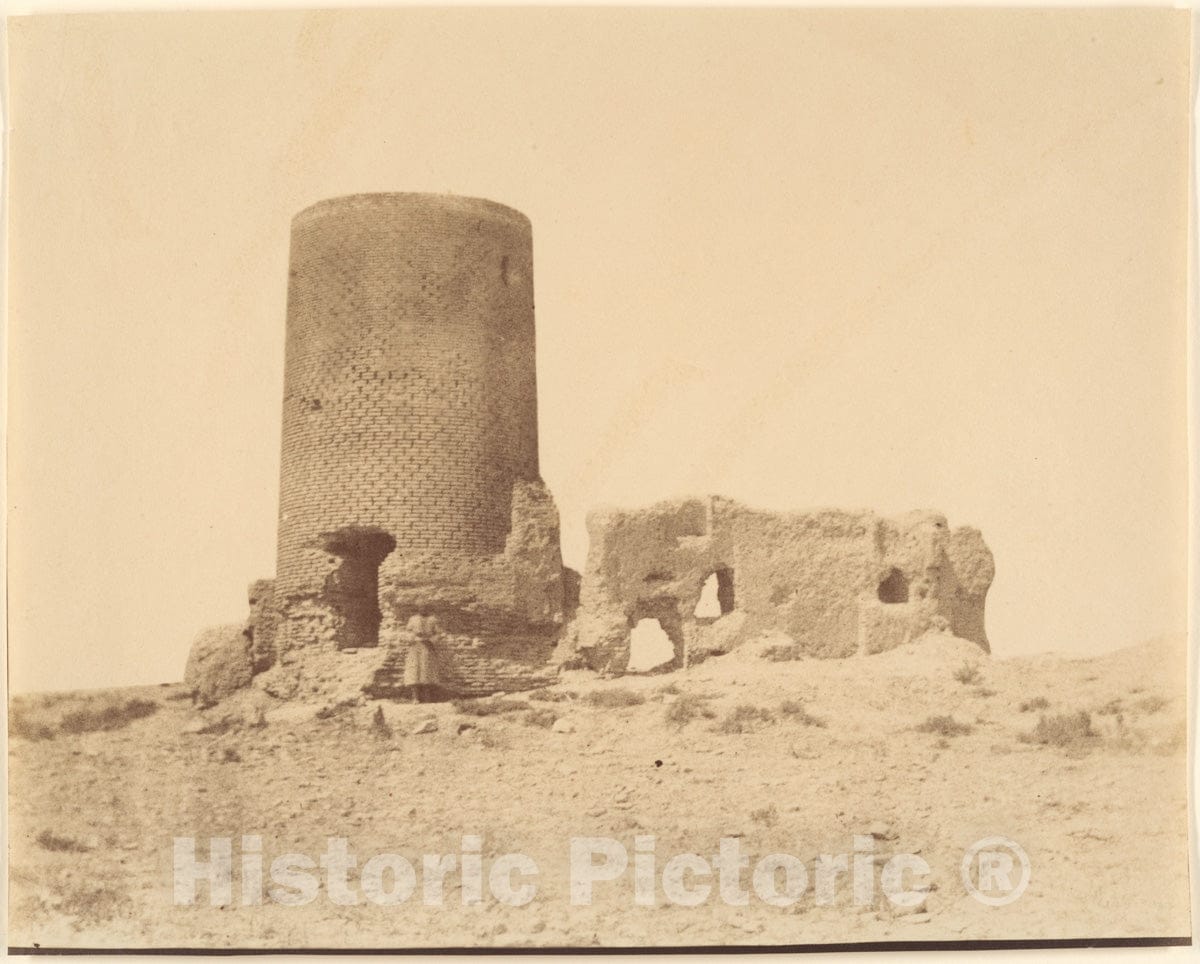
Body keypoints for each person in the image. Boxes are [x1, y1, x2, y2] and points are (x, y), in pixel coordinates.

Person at [403, 613, 442, 703]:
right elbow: (408, 631)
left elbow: (438, 633)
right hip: (415, 647)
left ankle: (427, 696)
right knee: (414, 671)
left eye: (424, 607)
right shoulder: (413, 619)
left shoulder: (432, 619)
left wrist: (431, 640)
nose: (423, 609)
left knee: (426, 671)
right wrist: (413, 637)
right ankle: (415, 697)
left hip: (427, 647)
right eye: (420, 606)